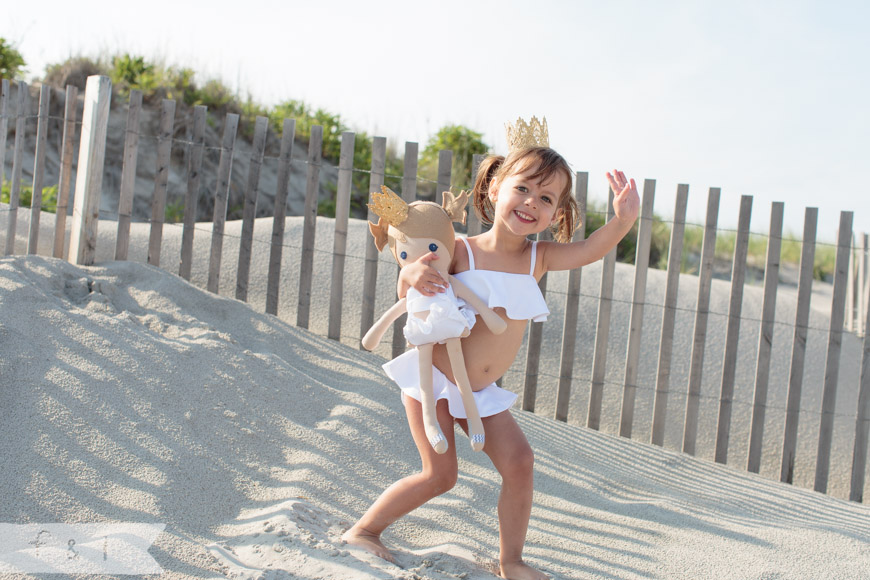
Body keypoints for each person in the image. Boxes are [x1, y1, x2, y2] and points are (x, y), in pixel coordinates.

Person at [343, 117, 640, 580]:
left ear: (556, 214)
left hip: (480, 392)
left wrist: (623, 220)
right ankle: (364, 530)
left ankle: (511, 561)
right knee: (440, 476)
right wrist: (409, 277)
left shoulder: (537, 259)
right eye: (522, 188)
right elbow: (410, 276)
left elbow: (590, 250)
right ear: (496, 185)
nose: (531, 203)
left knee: (520, 463)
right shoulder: (462, 249)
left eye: (546, 199)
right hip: (436, 383)